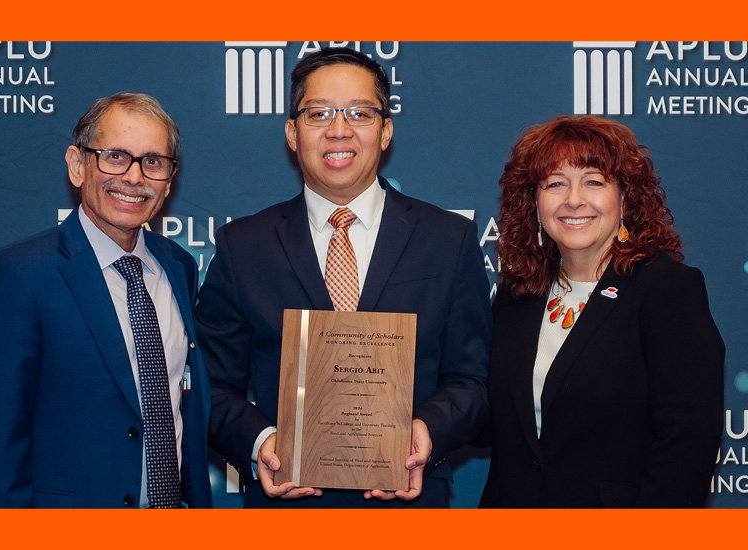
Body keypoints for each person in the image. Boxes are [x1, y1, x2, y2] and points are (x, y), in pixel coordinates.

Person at [194, 47, 492, 508]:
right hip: (287, 509)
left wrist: (425, 433)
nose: (339, 129)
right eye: (319, 113)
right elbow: (210, 383)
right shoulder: (243, 246)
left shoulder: (447, 239)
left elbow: (472, 378)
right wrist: (260, 444)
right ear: (292, 133)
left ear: (386, 130)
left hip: (409, 507)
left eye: (359, 112)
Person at [0, 93, 212, 508]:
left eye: (153, 161)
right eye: (115, 156)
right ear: (78, 166)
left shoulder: (179, 267)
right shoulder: (20, 275)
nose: (134, 177)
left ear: (169, 180)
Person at [479, 115, 724, 508]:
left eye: (593, 181)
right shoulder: (518, 291)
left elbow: (688, 443)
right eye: (555, 183)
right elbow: (489, 418)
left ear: (625, 197)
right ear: (534, 201)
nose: (573, 199)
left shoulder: (666, 290)